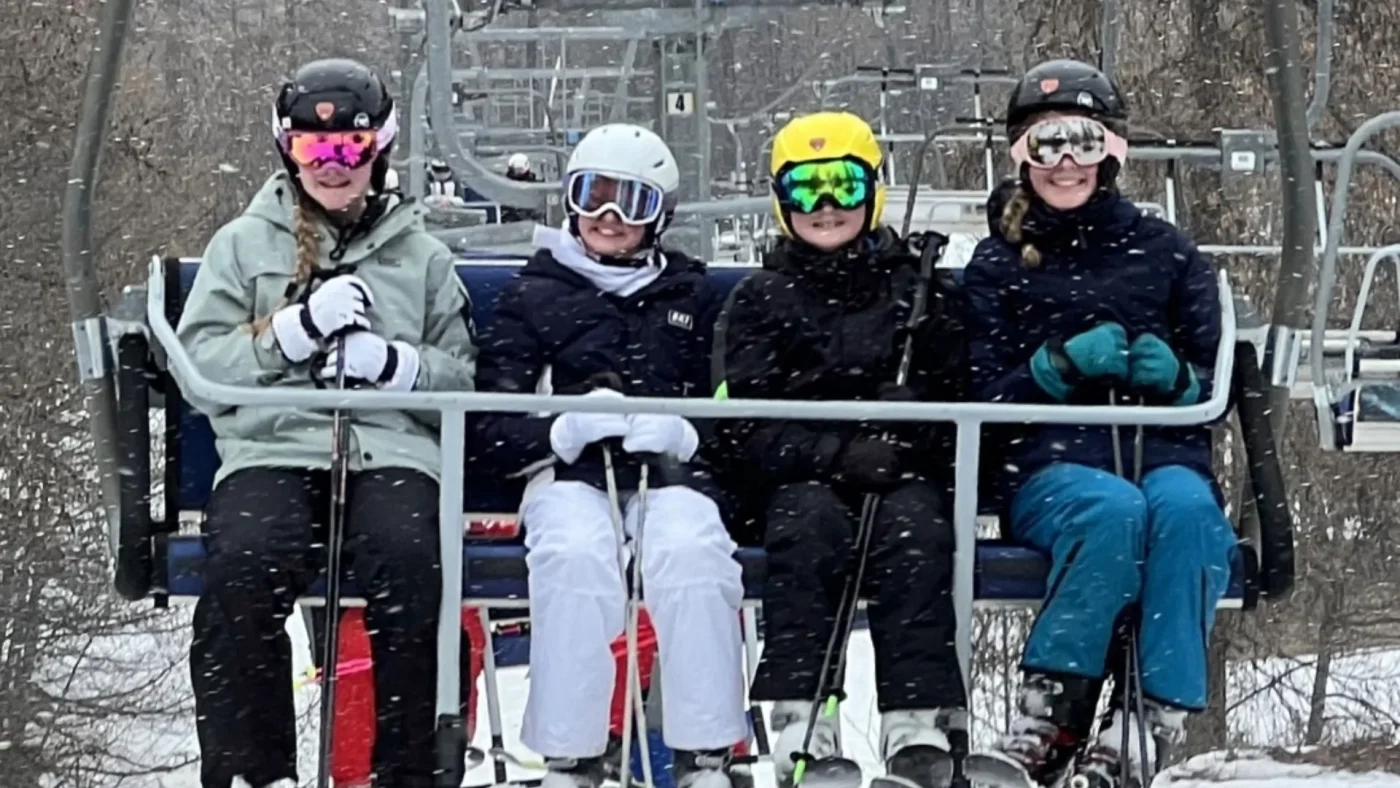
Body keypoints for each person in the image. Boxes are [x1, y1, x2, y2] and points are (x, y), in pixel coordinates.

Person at [175, 57, 476, 788]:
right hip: (274, 445)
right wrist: (288, 334)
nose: (334, 165)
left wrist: (395, 367)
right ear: (288, 151)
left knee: (410, 561)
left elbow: (462, 377)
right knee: (245, 560)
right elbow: (199, 366)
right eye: (315, 148)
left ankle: (411, 768)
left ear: (379, 151)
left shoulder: (424, 258)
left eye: (351, 148)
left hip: (390, 449)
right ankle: (253, 770)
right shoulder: (243, 247)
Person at [960, 59, 1239, 787]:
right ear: (1020, 156)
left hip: (1162, 450)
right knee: (1111, 513)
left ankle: (1149, 719)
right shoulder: (998, 264)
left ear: (1112, 150)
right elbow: (980, 394)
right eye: (1044, 144)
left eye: (1082, 141)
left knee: (1187, 516)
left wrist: (1179, 380)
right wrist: (1050, 369)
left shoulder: (1169, 254)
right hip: (1052, 467)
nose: (1065, 163)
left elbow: (1219, 378)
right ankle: (1055, 712)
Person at [470, 123, 747, 788]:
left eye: (631, 202)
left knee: (693, 553)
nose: (609, 218)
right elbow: (490, 421)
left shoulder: (694, 299)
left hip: (671, 477)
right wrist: (556, 432)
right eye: (593, 196)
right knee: (572, 554)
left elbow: (736, 408)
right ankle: (572, 753)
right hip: (565, 475)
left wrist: (689, 433)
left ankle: (706, 751)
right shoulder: (533, 295)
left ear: (661, 215)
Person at [711, 110, 969, 788]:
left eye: (844, 188)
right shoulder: (760, 300)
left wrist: (916, 428)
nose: (826, 208)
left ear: (873, 192)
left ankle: (916, 718)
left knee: (913, 528)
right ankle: (803, 719)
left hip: (899, 474)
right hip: (801, 480)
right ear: (780, 200)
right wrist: (831, 453)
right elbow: (743, 426)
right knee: (807, 527)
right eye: (806, 191)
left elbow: (965, 402)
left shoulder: (914, 291)